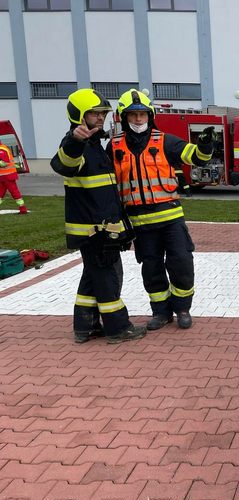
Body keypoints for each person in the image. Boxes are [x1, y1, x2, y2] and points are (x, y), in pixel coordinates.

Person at [109, 89, 213, 331]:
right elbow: (107, 184)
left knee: (181, 262)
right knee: (151, 268)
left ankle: (183, 309)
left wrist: (205, 145)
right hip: (140, 223)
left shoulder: (165, 141)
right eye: (133, 114)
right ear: (124, 117)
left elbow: (196, 157)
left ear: (150, 115)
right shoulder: (113, 147)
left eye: (142, 114)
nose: (138, 119)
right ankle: (161, 312)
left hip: (171, 219)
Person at [50, 88, 146, 344]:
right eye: (95, 113)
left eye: (103, 113)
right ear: (79, 116)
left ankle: (85, 326)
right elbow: (63, 164)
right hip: (95, 230)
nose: (101, 117)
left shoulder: (95, 146)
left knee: (92, 276)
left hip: (99, 228)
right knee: (107, 277)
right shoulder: (77, 146)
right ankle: (118, 328)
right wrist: (74, 141)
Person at [0, 138, 27, 214]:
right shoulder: (3, 148)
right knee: (1, 193)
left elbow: (3, 163)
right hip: (4, 176)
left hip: (7, 176)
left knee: (14, 192)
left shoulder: (1, 150)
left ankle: (23, 208)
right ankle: (22, 208)